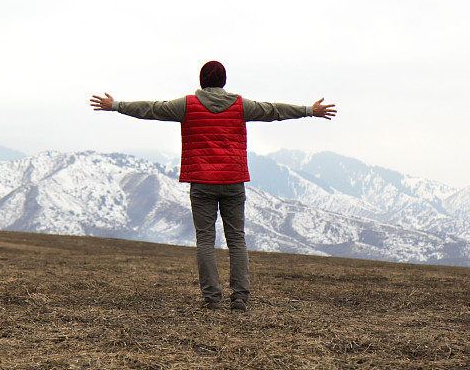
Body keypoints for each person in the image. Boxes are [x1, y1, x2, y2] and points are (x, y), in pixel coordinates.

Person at [90, 60, 336, 311]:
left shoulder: (187, 105)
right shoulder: (241, 106)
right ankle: (239, 297)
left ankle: (212, 298)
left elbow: (152, 109)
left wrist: (116, 106)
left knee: (205, 240)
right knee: (237, 240)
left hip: (202, 183)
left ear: (201, 81)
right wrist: (309, 109)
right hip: (233, 181)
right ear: (224, 81)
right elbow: (273, 110)